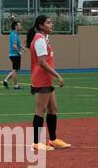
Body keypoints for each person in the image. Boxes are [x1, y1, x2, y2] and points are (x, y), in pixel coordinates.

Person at [27, 15, 71, 151]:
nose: (51, 25)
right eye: (48, 23)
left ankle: (53, 140)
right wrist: (57, 75)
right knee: (40, 110)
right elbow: (42, 62)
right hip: (41, 79)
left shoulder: (43, 38)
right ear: (41, 25)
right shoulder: (39, 40)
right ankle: (36, 143)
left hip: (46, 79)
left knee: (53, 109)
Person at [3, 18, 21, 90]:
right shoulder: (14, 35)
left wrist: (21, 47)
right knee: (15, 70)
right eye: (19, 25)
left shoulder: (15, 34)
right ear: (16, 26)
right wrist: (19, 51)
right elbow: (14, 45)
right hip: (15, 55)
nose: (20, 27)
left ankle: (6, 80)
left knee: (15, 70)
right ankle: (16, 85)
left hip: (14, 55)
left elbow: (16, 44)